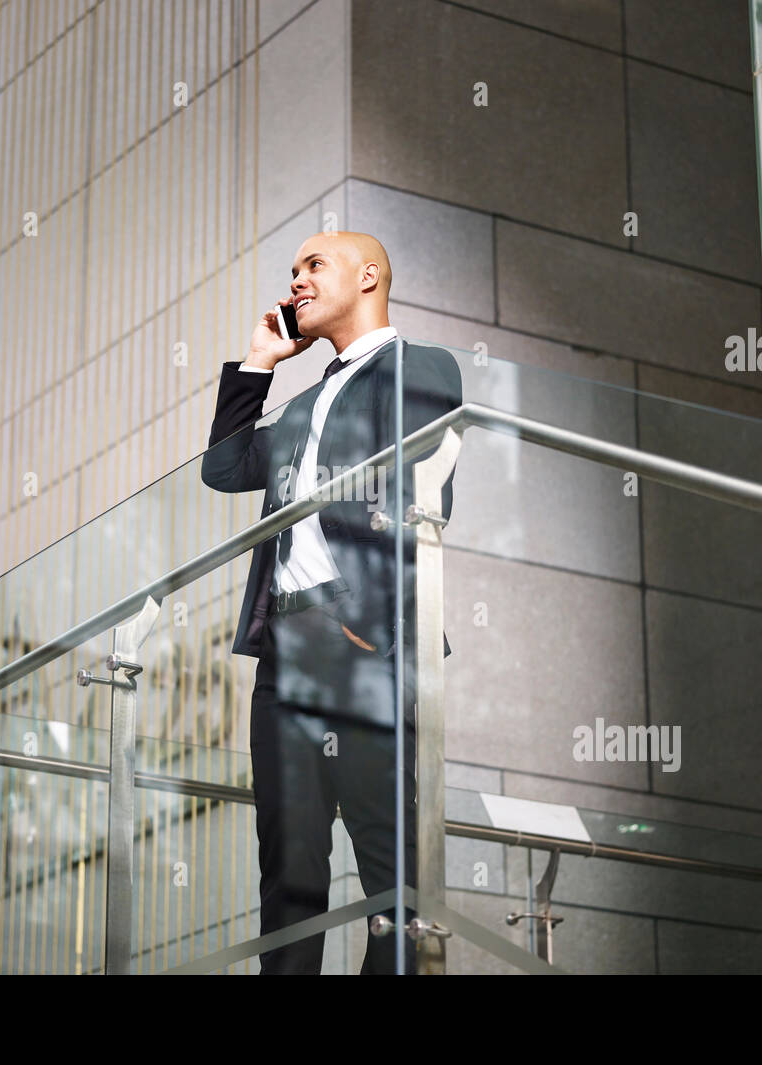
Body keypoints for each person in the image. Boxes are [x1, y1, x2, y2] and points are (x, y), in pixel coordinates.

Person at [200, 231, 462, 973]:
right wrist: (260, 362)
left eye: (314, 266)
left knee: (391, 868)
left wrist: (369, 628)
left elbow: (422, 501)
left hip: (358, 641)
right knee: (289, 873)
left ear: (369, 274)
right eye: (293, 272)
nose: (297, 282)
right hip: (285, 653)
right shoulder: (301, 406)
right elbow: (222, 468)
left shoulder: (419, 366)